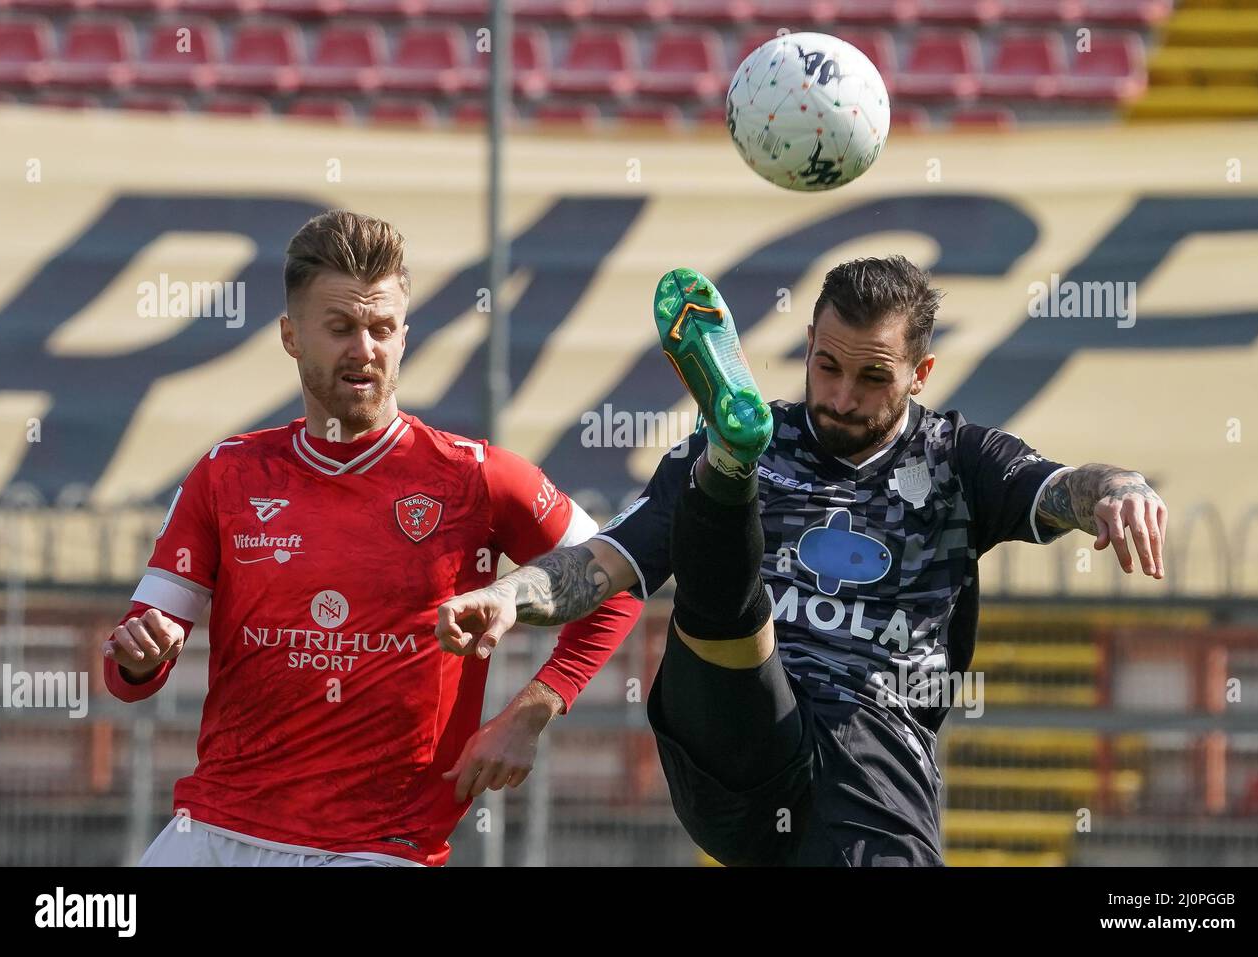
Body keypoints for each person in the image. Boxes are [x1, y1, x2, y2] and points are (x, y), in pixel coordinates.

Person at [436, 257, 1168, 866]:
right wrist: (510, 596)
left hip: (875, 746)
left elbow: (1063, 485)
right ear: (809, 342)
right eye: (827, 366)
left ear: (922, 371)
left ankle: (727, 473)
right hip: (734, 732)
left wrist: (1120, 489)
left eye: (873, 377)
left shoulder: (960, 459)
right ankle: (730, 463)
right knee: (723, 587)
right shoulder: (779, 433)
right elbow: (602, 561)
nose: (842, 397)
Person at [104, 209, 641, 867]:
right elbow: (130, 670)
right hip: (214, 830)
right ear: (291, 336)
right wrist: (140, 651)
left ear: (404, 337)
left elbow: (620, 580)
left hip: (379, 847)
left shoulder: (478, 477)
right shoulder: (228, 474)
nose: (365, 348)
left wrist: (530, 709)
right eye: (341, 328)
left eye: (382, 328)